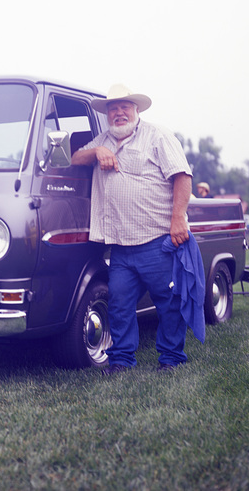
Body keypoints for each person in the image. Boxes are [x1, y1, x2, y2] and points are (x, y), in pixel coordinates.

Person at [72, 84, 203, 376]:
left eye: (124, 107)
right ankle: (121, 361)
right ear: (107, 114)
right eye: (112, 108)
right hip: (120, 246)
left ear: (136, 110)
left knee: (169, 304)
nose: (118, 113)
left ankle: (171, 359)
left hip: (156, 241)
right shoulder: (103, 139)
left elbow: (182, 176)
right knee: (119, 304)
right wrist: (98, 151)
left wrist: (178, 218)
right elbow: (74, 159)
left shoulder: (159, 136)